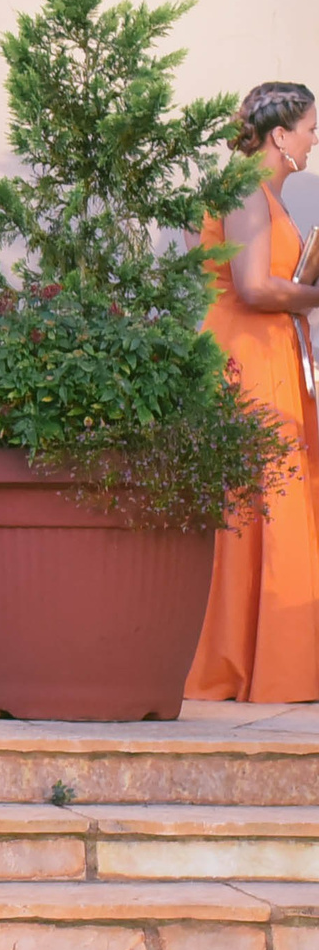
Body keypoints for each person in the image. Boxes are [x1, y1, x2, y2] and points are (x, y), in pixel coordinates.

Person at [190, 83, 319, 704]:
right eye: (310, 128)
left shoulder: (260, 192)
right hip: (249, 354)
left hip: (270, 353)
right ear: (280, 136)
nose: (314, 139)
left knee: (269, 495)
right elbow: (254, 287)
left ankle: (275, 658)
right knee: (258, 498)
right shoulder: (244, 188)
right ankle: (244, 664)